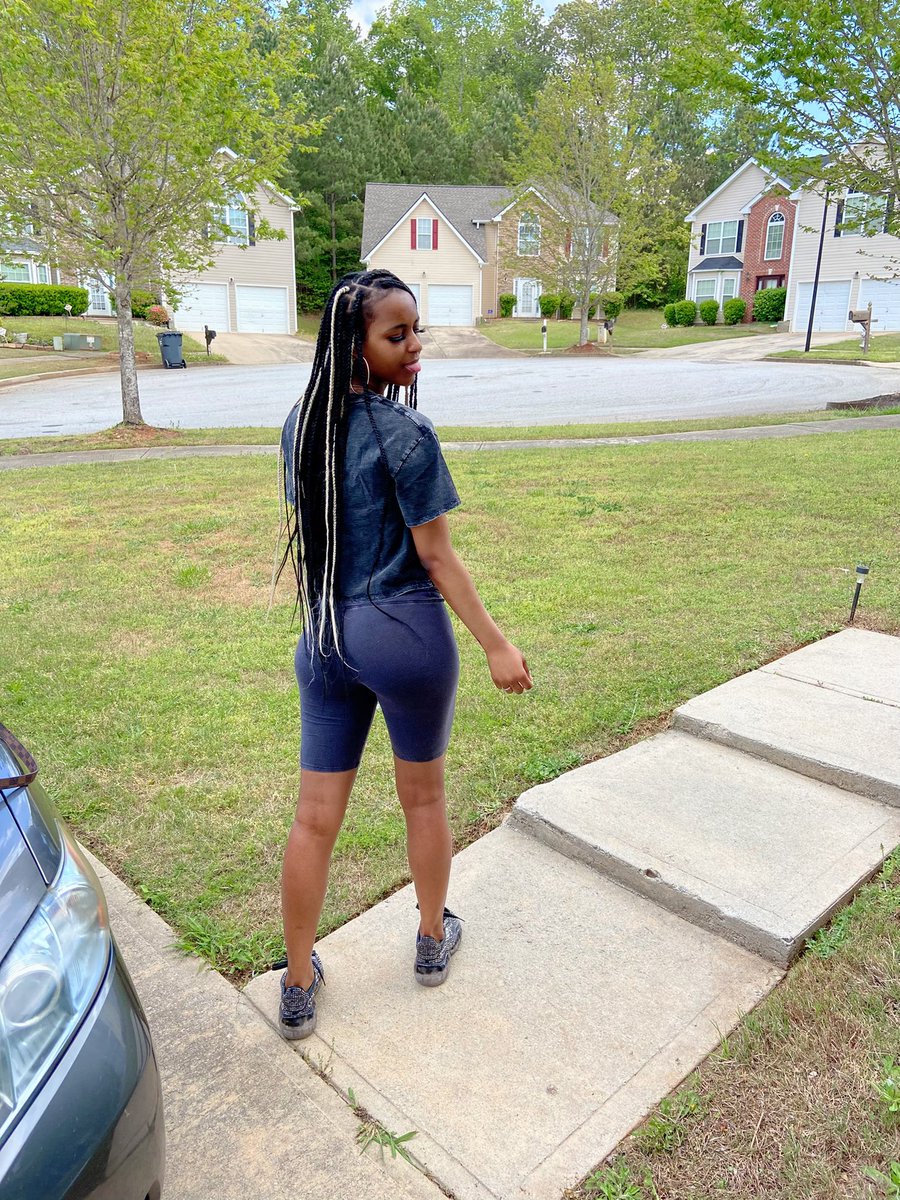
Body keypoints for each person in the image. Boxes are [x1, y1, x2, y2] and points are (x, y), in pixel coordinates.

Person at [274, 268, 532, 1040]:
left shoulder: (300, 426)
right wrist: (497, 644)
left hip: (326, 640)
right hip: (406, 637)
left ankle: (297, 982)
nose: (416, 345)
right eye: (397, 334)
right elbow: (437, 558)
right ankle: (429, 939)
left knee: (313, 820)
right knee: (422, 799)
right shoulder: (406, 433)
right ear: (353, 345)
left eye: (417, 329)